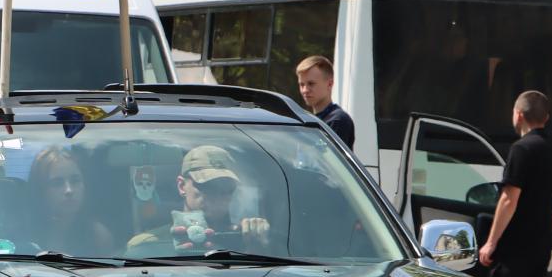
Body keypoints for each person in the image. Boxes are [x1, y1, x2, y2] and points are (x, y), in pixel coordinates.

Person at [478, 89, 552, 277]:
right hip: (540, 247)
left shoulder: (521, 149)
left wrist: (491, 242)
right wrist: (544, 233)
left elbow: (509, 199)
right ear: (545, 118)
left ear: (518, 115)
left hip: (515, 247)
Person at [128, 145, 273, 255]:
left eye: (226, 188)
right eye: (206, 186)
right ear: (182, 186)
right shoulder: (147, 246)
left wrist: (255, 247)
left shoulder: (246, 238)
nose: (217, 195)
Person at [26, 146, 117, 256]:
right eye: (57, 183)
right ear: (41, 190)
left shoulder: (98, 236)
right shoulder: (26, 236)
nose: (69, 190)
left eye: (75, 180)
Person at [296, 55, 355, 151]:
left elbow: (329, 162)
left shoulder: (337, 120)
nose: (305, 90)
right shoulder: (307, 120)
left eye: (311, 84)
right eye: (301, 84)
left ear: (330, 84)